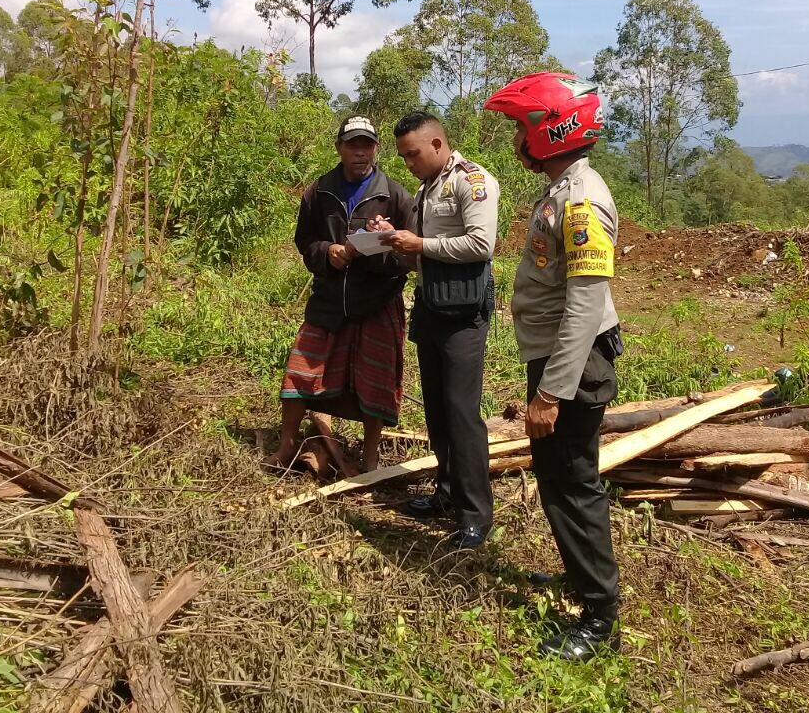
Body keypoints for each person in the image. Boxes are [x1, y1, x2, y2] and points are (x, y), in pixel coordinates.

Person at [484, 71, 623, 661]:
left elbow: (587, 302)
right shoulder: (562, 189)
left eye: (521, 126)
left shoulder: (583, 199)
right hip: (557, 360)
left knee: (572, 486)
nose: (516, 139)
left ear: (550, 129)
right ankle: (580, 582)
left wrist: (551, 393)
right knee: (558, 481)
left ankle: (598, 617)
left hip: (572, 364)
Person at [376, 111, 500, 550]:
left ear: (436, 144)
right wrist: (395, 239)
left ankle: (475, 515)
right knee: (437, 410)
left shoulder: (472, 181)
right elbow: (422, 256)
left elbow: (482, 244)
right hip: (432, 305)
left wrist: (419, 243)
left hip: (463, 315)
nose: (407, 163)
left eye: (412, 154)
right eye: (403, 157)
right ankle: (447, 493)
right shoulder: (427, 189)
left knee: (462, 414)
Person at [266, 115, 415, 472]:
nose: (360, 152)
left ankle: (370, 456)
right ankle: (287, 447)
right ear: (339, 148)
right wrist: (327, 253)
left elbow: (411, 255)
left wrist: (385, 246)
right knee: (300, 372)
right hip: (330, 299)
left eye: (367, 145)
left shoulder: (395, 196)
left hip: (376, 302)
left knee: (376, 380)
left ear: (377, 149)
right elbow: (304, 241)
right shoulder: (319, 191)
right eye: (352, 144)